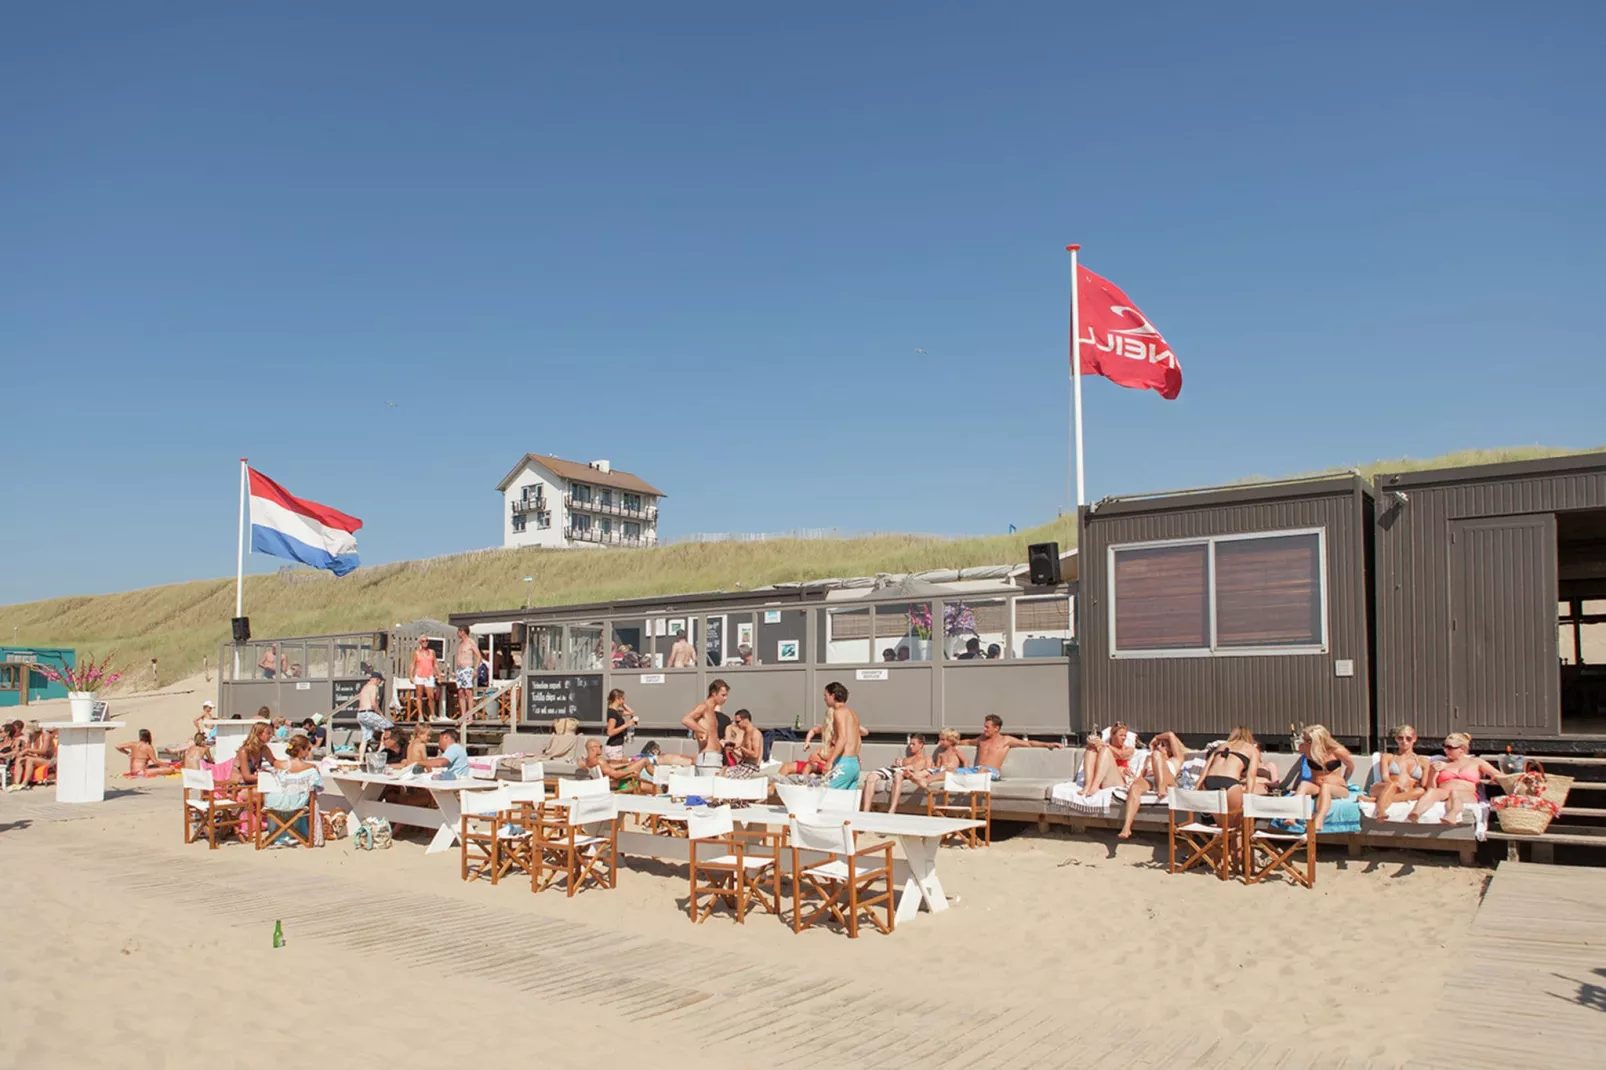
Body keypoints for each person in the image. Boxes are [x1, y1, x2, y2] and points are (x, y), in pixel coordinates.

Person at [1409, 732, 1501, 824]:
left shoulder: (1476, 762)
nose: (1446, 750)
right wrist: (1433, 772)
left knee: (1455, 793)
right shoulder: (1440, 762)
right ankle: (1415, 813)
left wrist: (1495, 778)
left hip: (1468, 794)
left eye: (1450, 748)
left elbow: (1498, 775)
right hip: (1444, 791)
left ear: (1462, 748)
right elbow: (1430, 787)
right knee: (1432, 792)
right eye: (1444, 746)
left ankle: (1452, 815)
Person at [1118, 731, 1188, 838]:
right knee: (1135, 788)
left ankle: (1161, 788)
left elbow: (1170, 735)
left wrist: (1156, 738)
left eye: (1163, 745)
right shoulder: (1149, 758)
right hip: (1151, 779)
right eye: (1157, 745)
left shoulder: (1176, 759)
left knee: (1156, 755)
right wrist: (1133, 777)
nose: (1158, 747)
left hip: (1168, 780)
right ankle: (1126, 827)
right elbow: (1142, 776)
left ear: (1169, 749)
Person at [957, 714, 1063, 780]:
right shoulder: (981, 739)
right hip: (975, 770)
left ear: (996, 728)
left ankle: (968, 785)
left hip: (991, 772)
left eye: (987, 727)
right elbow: (968, 742)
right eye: (984, 726)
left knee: (980, 772)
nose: (984, 729)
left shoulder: (1006, 740)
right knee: (948, 771)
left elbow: (1029, 743)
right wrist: (954, 742)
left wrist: (1048, 744)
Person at [1295, 725, 1354, 833]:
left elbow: (1350, 767)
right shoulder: (1307, 749)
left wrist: (1345, 780)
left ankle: (1319, 820)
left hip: (1337, 788)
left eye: (1309, 740)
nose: (1306, 742)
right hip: (1317, 786)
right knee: (1303, 784)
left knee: (1326, 787)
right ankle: (1292, 816)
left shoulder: (1337, 751)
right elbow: (1296, 746)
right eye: (1305, 739)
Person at [860, 733, 934, 814]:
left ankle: (892, 810)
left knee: (898, 775)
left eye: (913, 744)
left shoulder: (927, 758)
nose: (910, 746)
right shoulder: (906, 759)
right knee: (871, 776)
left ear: (921, 745)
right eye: (910, 744)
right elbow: (894, 768)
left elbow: (928, 772)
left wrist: (914, 771)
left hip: (907, 773)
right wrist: (897, 764)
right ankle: (865, 811)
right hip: (897, 770)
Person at [1370, 724, 1430, 817]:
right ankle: (1381, 811)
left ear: (1414, 739)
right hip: (1387, 788)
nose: (1404, 741)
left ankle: (1379, 800)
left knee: (1421, 791)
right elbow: (1385, 777)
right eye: (1400, 738)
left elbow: (1424, 784)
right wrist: (1396, 785)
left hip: (1408, 792)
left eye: (1408, 738)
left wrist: (1435, 770)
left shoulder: (1423, 761)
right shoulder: (1387, 757)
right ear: (1396, 739)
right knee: (1391, 785)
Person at [819, 682, 864, 790]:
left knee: (823, 795)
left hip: (843, 764)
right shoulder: (853, 713)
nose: (824, 699)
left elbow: (842, 738)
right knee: (846, 803)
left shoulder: (839, 712)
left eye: (826, 695)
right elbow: (858, 739)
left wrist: (829, 762)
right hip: (854, 765)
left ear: (833, 696)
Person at [680, 679, 730, 777]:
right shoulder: (704, 707)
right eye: (723, 695)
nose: (725, 698)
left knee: (713, 790)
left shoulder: (712, 711)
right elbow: (686, 719)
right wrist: (702, 731)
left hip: (714, 758)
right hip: (708, 758)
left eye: (726, 695)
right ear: (714, 693)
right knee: (709, 790)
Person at [1077, 723, 1135, 797]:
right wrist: (1092, 742)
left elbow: (1121, 755)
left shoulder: (1129, 749)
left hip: (1115, 781)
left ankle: (1095, 786)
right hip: (1101, 780)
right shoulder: (1103, 746)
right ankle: (1088, 785)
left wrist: (1104, 744)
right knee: (1090, 750)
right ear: (1112, 735)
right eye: (1121, 735)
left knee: (1105, 751)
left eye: (1125, 735)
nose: (1123, 738)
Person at [354, 671, 393, 763]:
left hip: (360, 714)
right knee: (388, 727)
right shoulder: (373, 687)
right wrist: (381, 715)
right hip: (368, 713)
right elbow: (373, 704)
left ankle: (360, 759)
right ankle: (379, 753)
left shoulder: (364, 687)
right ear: (377, 680)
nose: (379, 683)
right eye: (379, 681)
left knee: (365, 737)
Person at [578, 738, 651, 786]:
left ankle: (658, 779)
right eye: (600, 747)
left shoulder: (588, 761)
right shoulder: (599, 761)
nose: (601, 748)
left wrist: (626, 764)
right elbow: (615, 775)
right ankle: (659, 778)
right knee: (645, 760)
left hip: (616, 782)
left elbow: (608, 767)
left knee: (651, 785)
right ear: (593, 748)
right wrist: (631, 772)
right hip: (622, 783)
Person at [723, 709, 763, 778]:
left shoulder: (755, 733)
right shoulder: (745, 733)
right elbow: (744, 756)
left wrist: (741, 747)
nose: (736, 725)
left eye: (738, 722)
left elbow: (755, 755)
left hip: (752, 767)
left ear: (746, 720)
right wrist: (732, 750)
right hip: (743, 764)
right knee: (722, 771)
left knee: (730, 778)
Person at [453, 627, 483, 721]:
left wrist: (475, 669)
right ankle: (463, 714)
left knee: (468, 692)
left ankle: (470, 715)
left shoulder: (470, 642)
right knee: (460, 692)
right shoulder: (460, 643)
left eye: (459, 631)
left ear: (463, 632)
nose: (457, 633)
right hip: (460, 670)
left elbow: (478, 655)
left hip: (467, 668)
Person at [605, 690, 638, 761]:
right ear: (617, 699)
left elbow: (631, 712)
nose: (624, 700)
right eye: (623, 698)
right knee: (617, 769)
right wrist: (627, 724)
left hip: (618, 745)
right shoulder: (612, 713)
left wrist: (622, 704)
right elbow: (610, 732)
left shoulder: (617, 711)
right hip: (614, 746)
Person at [411, 637, 439, 719]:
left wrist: (439, 675)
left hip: (429, 675)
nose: (425, 642)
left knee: (431, 696)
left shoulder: (431, 652)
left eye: (426, 640)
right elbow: (413, 663)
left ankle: (432, 714)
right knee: (419, 695)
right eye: (423, 641)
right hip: (419, 675)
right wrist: (411, 675)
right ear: (420, 642)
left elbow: (435, 664)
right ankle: (420, 715)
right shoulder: (417, 653)